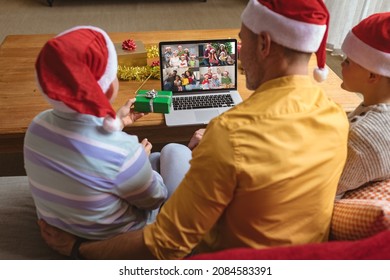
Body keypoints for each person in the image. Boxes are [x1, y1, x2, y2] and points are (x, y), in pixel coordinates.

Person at [39, 0, 349, 260]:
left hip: (232, 261)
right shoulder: (336, 117)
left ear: (265, 43)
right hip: (303, 257)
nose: (238, 52)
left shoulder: (230, 133)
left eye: (243, 40)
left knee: (172, 152)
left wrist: (79, 248)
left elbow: (164, 245)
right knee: (173, 152)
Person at [24, 26, 170, 241]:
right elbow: (155, 199)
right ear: (109, 88)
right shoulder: (124, 151)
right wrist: (141, 162)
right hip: (115, 241)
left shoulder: (37, 126)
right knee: (167, 155)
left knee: (156, 159)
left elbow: (87, 147)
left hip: (61, 229)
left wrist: (118, 123)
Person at [335, 12, 390, 199]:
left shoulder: (362, 138)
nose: (341, 63)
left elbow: (326, 188)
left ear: (373, 75)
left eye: (348, 61)